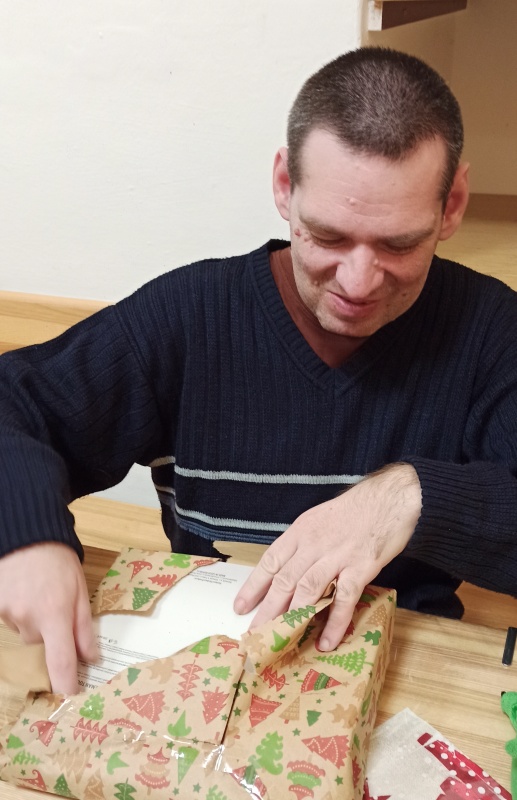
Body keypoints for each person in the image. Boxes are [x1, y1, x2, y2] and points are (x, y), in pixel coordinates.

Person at [0, 47, 516, 696]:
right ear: (283, 186)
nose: (358, 282)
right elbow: (15, 405)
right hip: (211, 666)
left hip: (410, 668)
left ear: (452, 204)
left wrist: (414, 497)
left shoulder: (492, 331)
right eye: (328, 236)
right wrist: (26, 535)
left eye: (398, 243)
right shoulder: (187, 318)